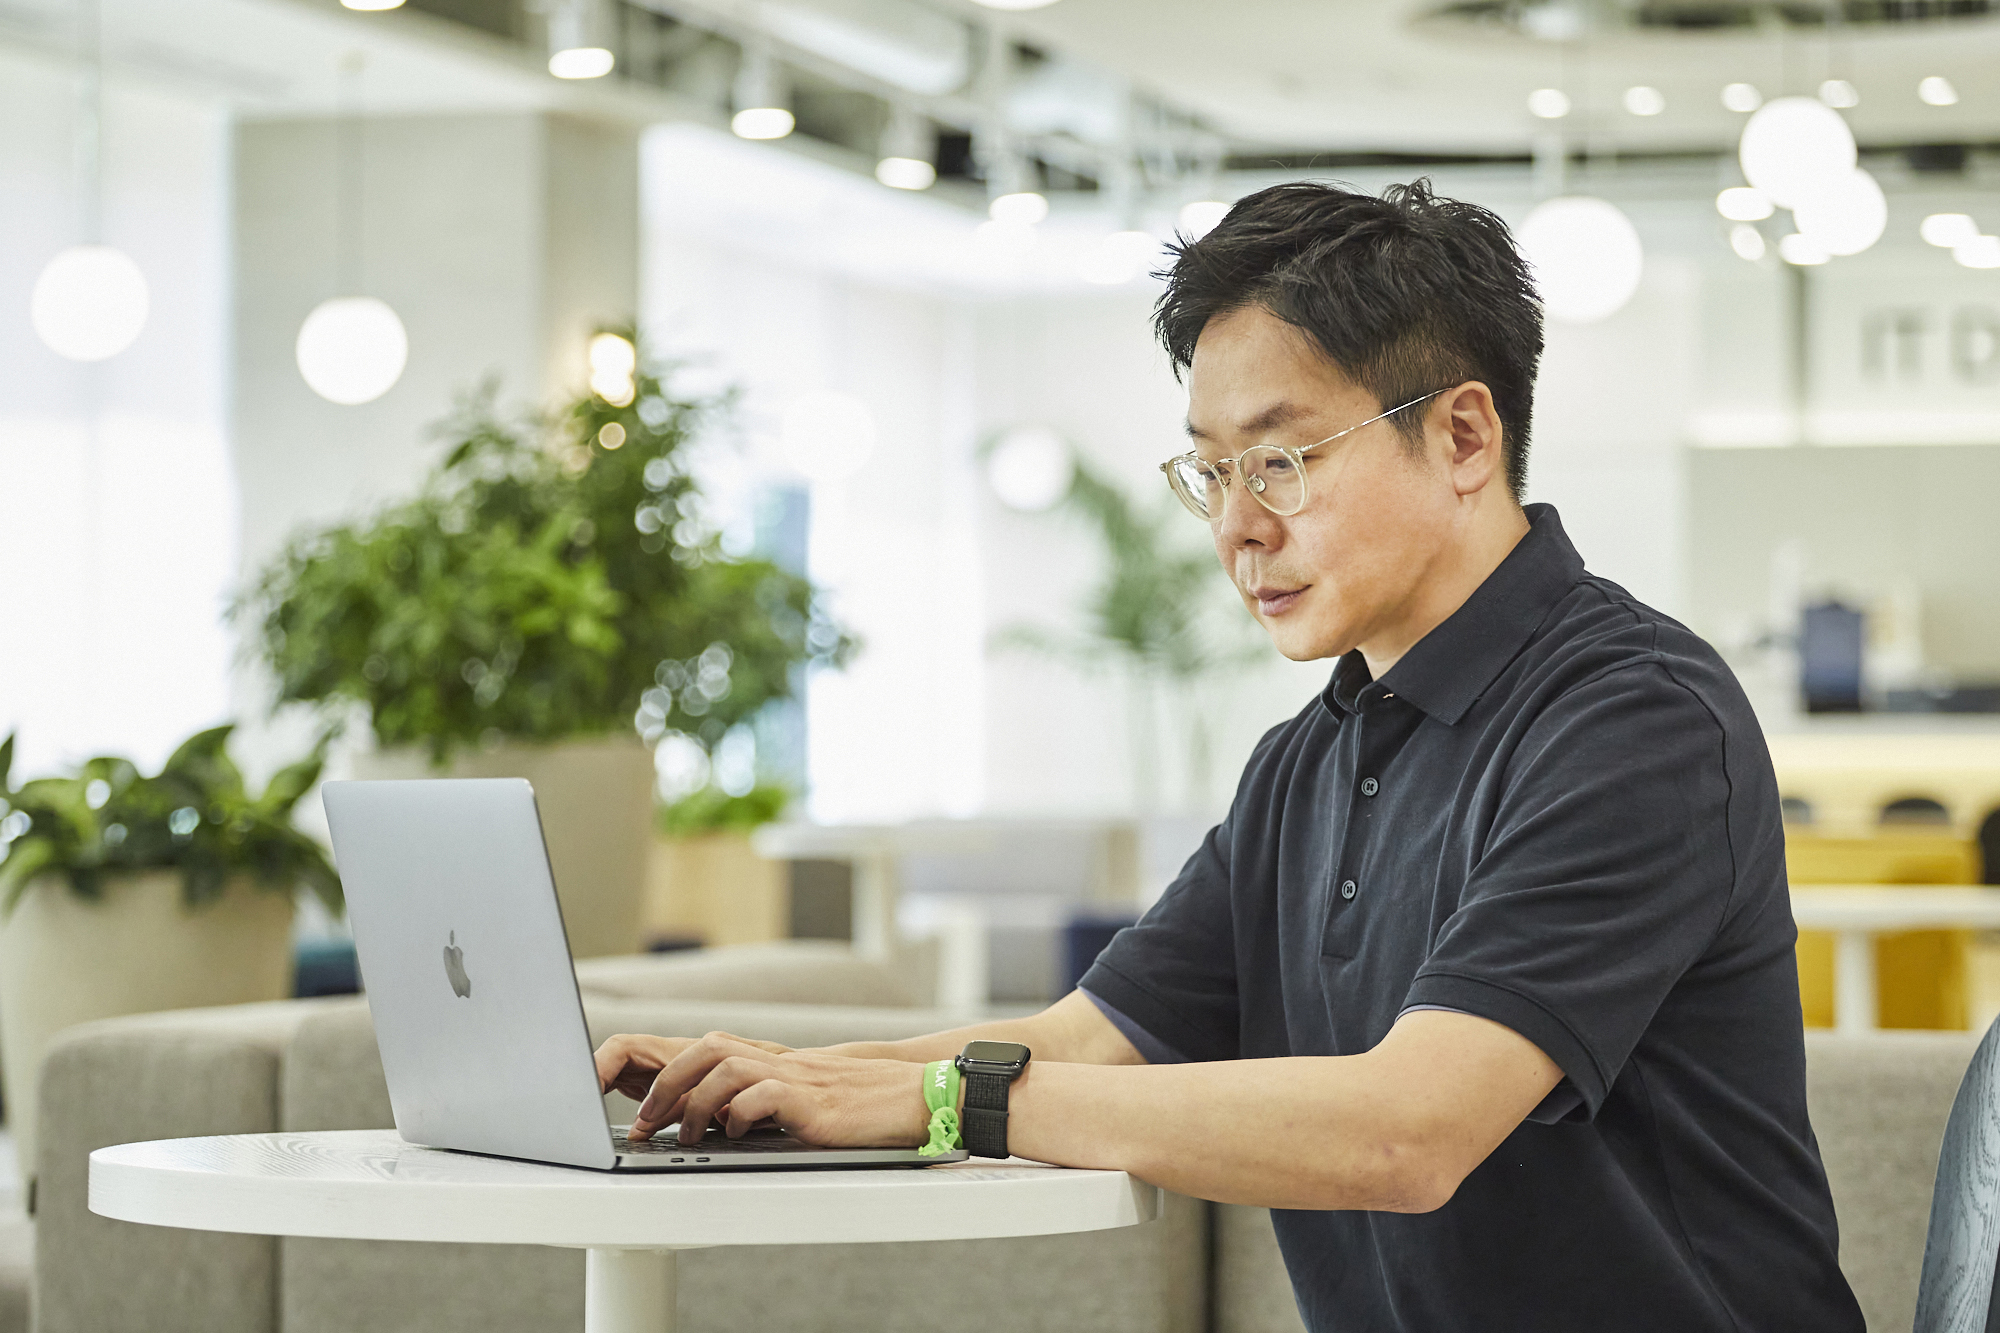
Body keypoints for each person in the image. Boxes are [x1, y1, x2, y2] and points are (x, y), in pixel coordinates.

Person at [594, 180, 1863, 1332]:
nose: (1240, 529)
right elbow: (1092, 1038)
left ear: (1464, 438)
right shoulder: (1309, 758)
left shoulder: (1629, 716)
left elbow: (1409, 1132)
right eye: (1209, 474)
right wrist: (779, 1074)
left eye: (1281, 461)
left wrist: (945, 1102)